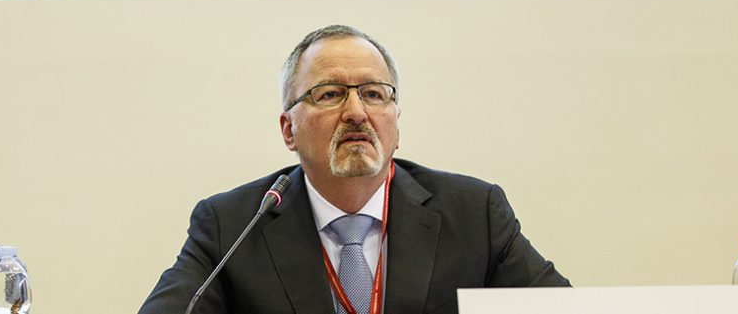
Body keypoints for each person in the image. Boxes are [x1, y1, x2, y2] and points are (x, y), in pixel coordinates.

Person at [139, 25, 569, 314]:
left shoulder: (474, 214)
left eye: (374, 94)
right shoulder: (231, 225)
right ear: (289, 130)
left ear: (396, 123)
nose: (357, 112)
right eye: (329, 94)